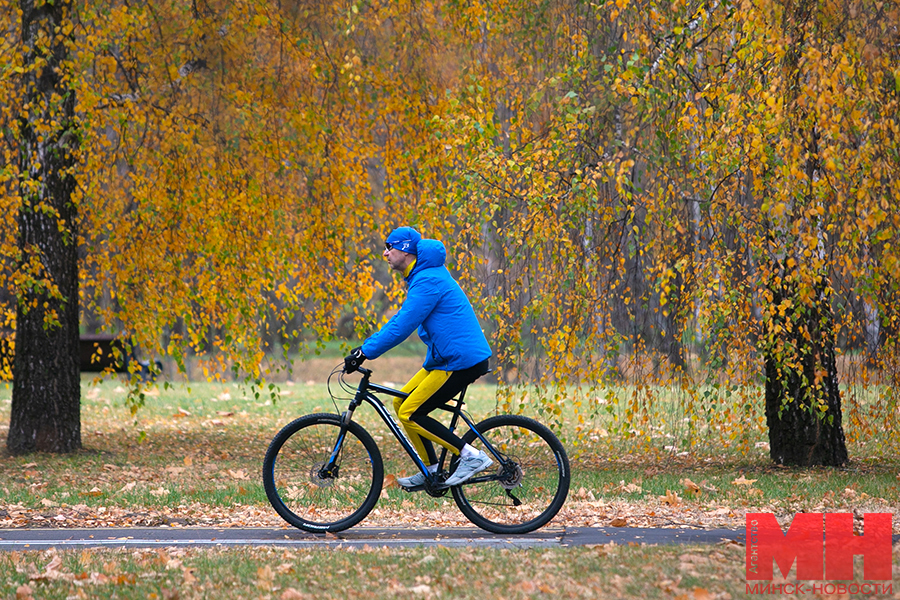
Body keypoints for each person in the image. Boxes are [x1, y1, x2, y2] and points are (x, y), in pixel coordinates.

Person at [343, 226, 493, 488]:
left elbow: (402, 326)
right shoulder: (423, 276)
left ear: (405, 250)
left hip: (460, 361)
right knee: (402, 406)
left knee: (411, 412)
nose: (385, 253)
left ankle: (471, 456)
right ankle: (431, 470)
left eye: (390, 247)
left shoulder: (428, 280)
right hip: (445, 359)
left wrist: (365, 351)